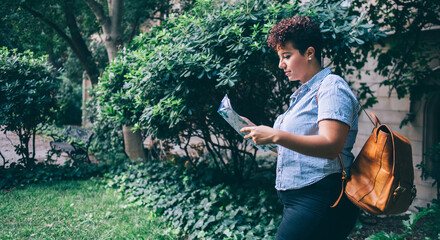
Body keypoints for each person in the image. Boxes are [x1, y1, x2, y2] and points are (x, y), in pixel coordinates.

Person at [240, 16, 359, 240]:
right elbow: (297, 149)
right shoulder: (302, 95)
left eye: (286, 56)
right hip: (299, 200)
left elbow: (330, 145)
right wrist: (259, 135)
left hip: (320, 197)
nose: (280, 64)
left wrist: (276, 135)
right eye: (279, 57)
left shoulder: (331, 88)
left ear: (309, 53)